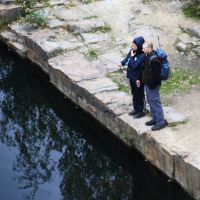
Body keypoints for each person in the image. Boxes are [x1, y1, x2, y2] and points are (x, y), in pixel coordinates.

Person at [142, 41, 168, 131]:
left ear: (149, 48)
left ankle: (161, 122)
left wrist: (151, 85)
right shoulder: (148, 55)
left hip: (153, 85)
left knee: (155, 102)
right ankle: (155, 118)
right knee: (150, 101)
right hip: (149, 84)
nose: (143, 50)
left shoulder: (154, 59)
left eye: (144, 48)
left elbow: (157, 76)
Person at [119, 36, 146, 118]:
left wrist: (131, 57)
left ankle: (141, 111)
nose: (132, 46)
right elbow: (127, 59)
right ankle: (136, 109)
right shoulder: (132, 51)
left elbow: (134, 66)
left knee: (139, 94)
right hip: (132, 77)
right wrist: (122, 63)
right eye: (132, 44)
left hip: (138, 78)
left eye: (134, 45)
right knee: (134, 93)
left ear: (139, 46)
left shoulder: (142, 56)